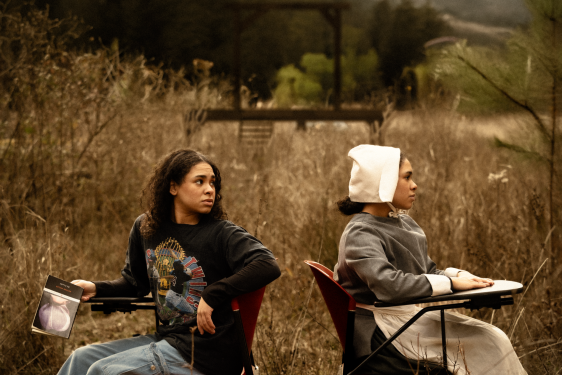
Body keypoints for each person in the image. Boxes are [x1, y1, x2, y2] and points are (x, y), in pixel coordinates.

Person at [59, 149, 281, 375]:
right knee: (80, 360)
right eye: (199, 181)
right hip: (169, 340)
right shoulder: (147, 228)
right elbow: (135, 284)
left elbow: (267, 264)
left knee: (102, 371)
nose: (209, 190)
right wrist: (95, 288)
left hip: (206, 354)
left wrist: (212, 294)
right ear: (173, 187)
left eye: (212, 183)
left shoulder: (221, 233)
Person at [333, 145, 526, 375]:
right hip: (383, 332)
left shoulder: (404, 223)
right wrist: (451, 285)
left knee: (494, 338)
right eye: (407, 177)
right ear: (382, 184)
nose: (414, 185)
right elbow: (390, 286)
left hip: (407, 319)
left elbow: (427, 270)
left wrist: (460, 276)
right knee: (489, 344)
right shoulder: (360, 233)